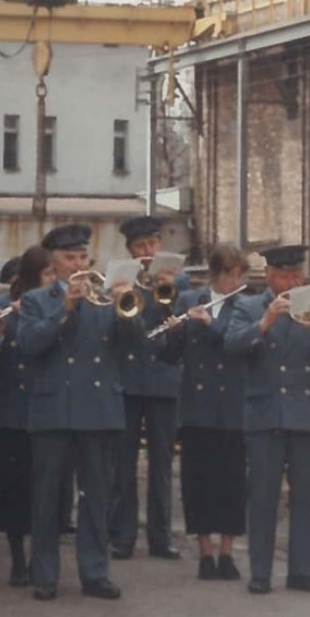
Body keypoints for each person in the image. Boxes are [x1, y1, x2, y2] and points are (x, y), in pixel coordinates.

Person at [17, 223, 141, 601]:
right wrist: (65, 307)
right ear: (55, 266)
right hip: (54, 410)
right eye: (70, 258)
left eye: (82, 257)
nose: (78, 264)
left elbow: (136, 347)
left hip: (98, 409)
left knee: (97, 495)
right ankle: (44, 575)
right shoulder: (37, 300)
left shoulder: (106, 299)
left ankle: (95, 573)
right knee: (48, 498)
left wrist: (128, 311)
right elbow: (30, 344)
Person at [225, 244, 310, 596]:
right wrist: (265, 323)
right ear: (269, 276)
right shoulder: (248, 307)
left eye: (297, 275)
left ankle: (302, 572)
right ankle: (260, 572)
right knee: (263, 497)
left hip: (306, 414)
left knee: (306, 498)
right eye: (284, 276)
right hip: (266, 413)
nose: (291, 282)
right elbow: (231, 346)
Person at [158, 243, 249, 580]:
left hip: (233, 406)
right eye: (228, 275)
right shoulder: (188, 301)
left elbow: (238, 344)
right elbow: (170, 356)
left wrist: (210, 324)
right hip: (197, 407)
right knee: (198, 481)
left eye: (238, 275)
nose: (233, 281)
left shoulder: (246, 307)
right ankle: (205, 553)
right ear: (215, 273)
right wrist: (172, 334)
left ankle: (227, 553)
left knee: (232, 482)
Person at [109, 215, 186, 560]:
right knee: (123, 463)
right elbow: (123, 333)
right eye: (140, 247)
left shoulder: (175, 283)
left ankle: (160, 537)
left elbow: (178, 330)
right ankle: (123, 535)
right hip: (127, 381)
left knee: (161, 464)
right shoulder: (122, 283)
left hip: (163, 381)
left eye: (152, 245)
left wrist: (166, 296)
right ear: (130, 250)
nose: (147, 251)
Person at [0, 247, 54, 586]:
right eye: (46, 275)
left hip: (47, 408)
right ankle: (17, 558)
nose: (52, 281)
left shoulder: (57, 304)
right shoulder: (0, 305)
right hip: (12, 411)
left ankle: (41, 557)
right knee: (14, 490)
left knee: (45, 490)